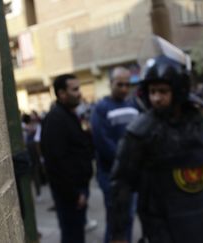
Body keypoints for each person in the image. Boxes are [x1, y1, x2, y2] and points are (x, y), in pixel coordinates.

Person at [109, 36, 203, 243]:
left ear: (179, 90)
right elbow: (121, 184)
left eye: (163, 91)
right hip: (161, 223)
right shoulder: (140, 132)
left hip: (201, 218)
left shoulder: (200, 124)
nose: (156, 98)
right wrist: (119, 233)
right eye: (152, 91)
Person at [40, 74, 94, 243]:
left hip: (78, 189)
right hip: (70, 193)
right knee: (72, 236)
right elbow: (56, 163)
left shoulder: (70, 115)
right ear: (62, 93)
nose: (79, 93)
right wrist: (74, 194)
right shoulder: (56, 119)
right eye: (75, 89)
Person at [90, 66, 139, 243]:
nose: (125, 88)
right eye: (120, 84)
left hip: (131, 175)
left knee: (129, 217)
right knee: (115, 221)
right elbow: (103, 143)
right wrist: (126, 161)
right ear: (111, 83)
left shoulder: (133, 105)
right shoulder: (101, 108)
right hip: (111, 175)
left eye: (128, 84)